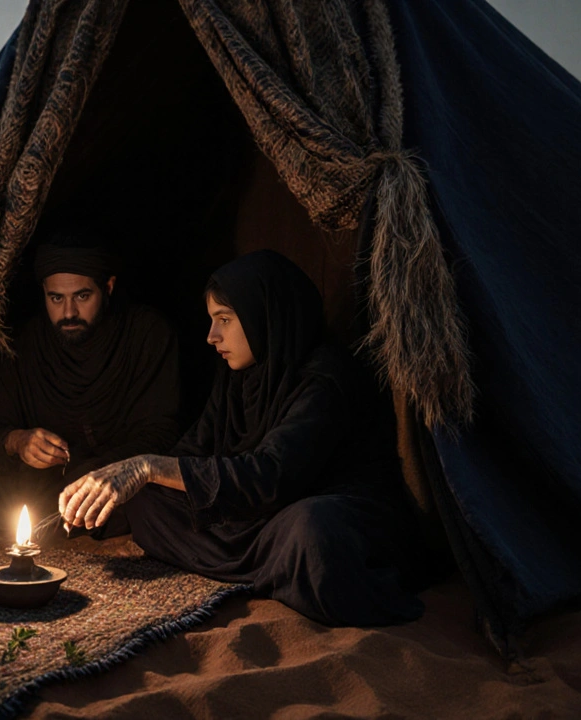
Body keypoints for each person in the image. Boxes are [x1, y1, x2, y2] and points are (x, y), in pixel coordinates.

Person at [58, 250, 425, 627]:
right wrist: (118, 484)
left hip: (314, 513)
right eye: (212, 320)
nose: (211, 336)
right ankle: (270, 571)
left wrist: (148, 465)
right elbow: (192, 452)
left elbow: (271, 476)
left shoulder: (326, 379)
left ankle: (269, 567)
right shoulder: (240, 373)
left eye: (224, 320)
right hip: (256, 522)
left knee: (313, 532)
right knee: (147, 500)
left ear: (264, 315)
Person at [0, 237, 182, 535]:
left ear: (108, 288)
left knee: (151, 501)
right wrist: (18, 442)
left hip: (108, 484)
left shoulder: (146, 335)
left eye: (82, 296)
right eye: (56, 298)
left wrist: (100, 472)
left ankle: (57, 520)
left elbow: (161, 435)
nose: (68, 313)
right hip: (31, 490)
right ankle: (51, 522)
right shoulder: (27, 344)